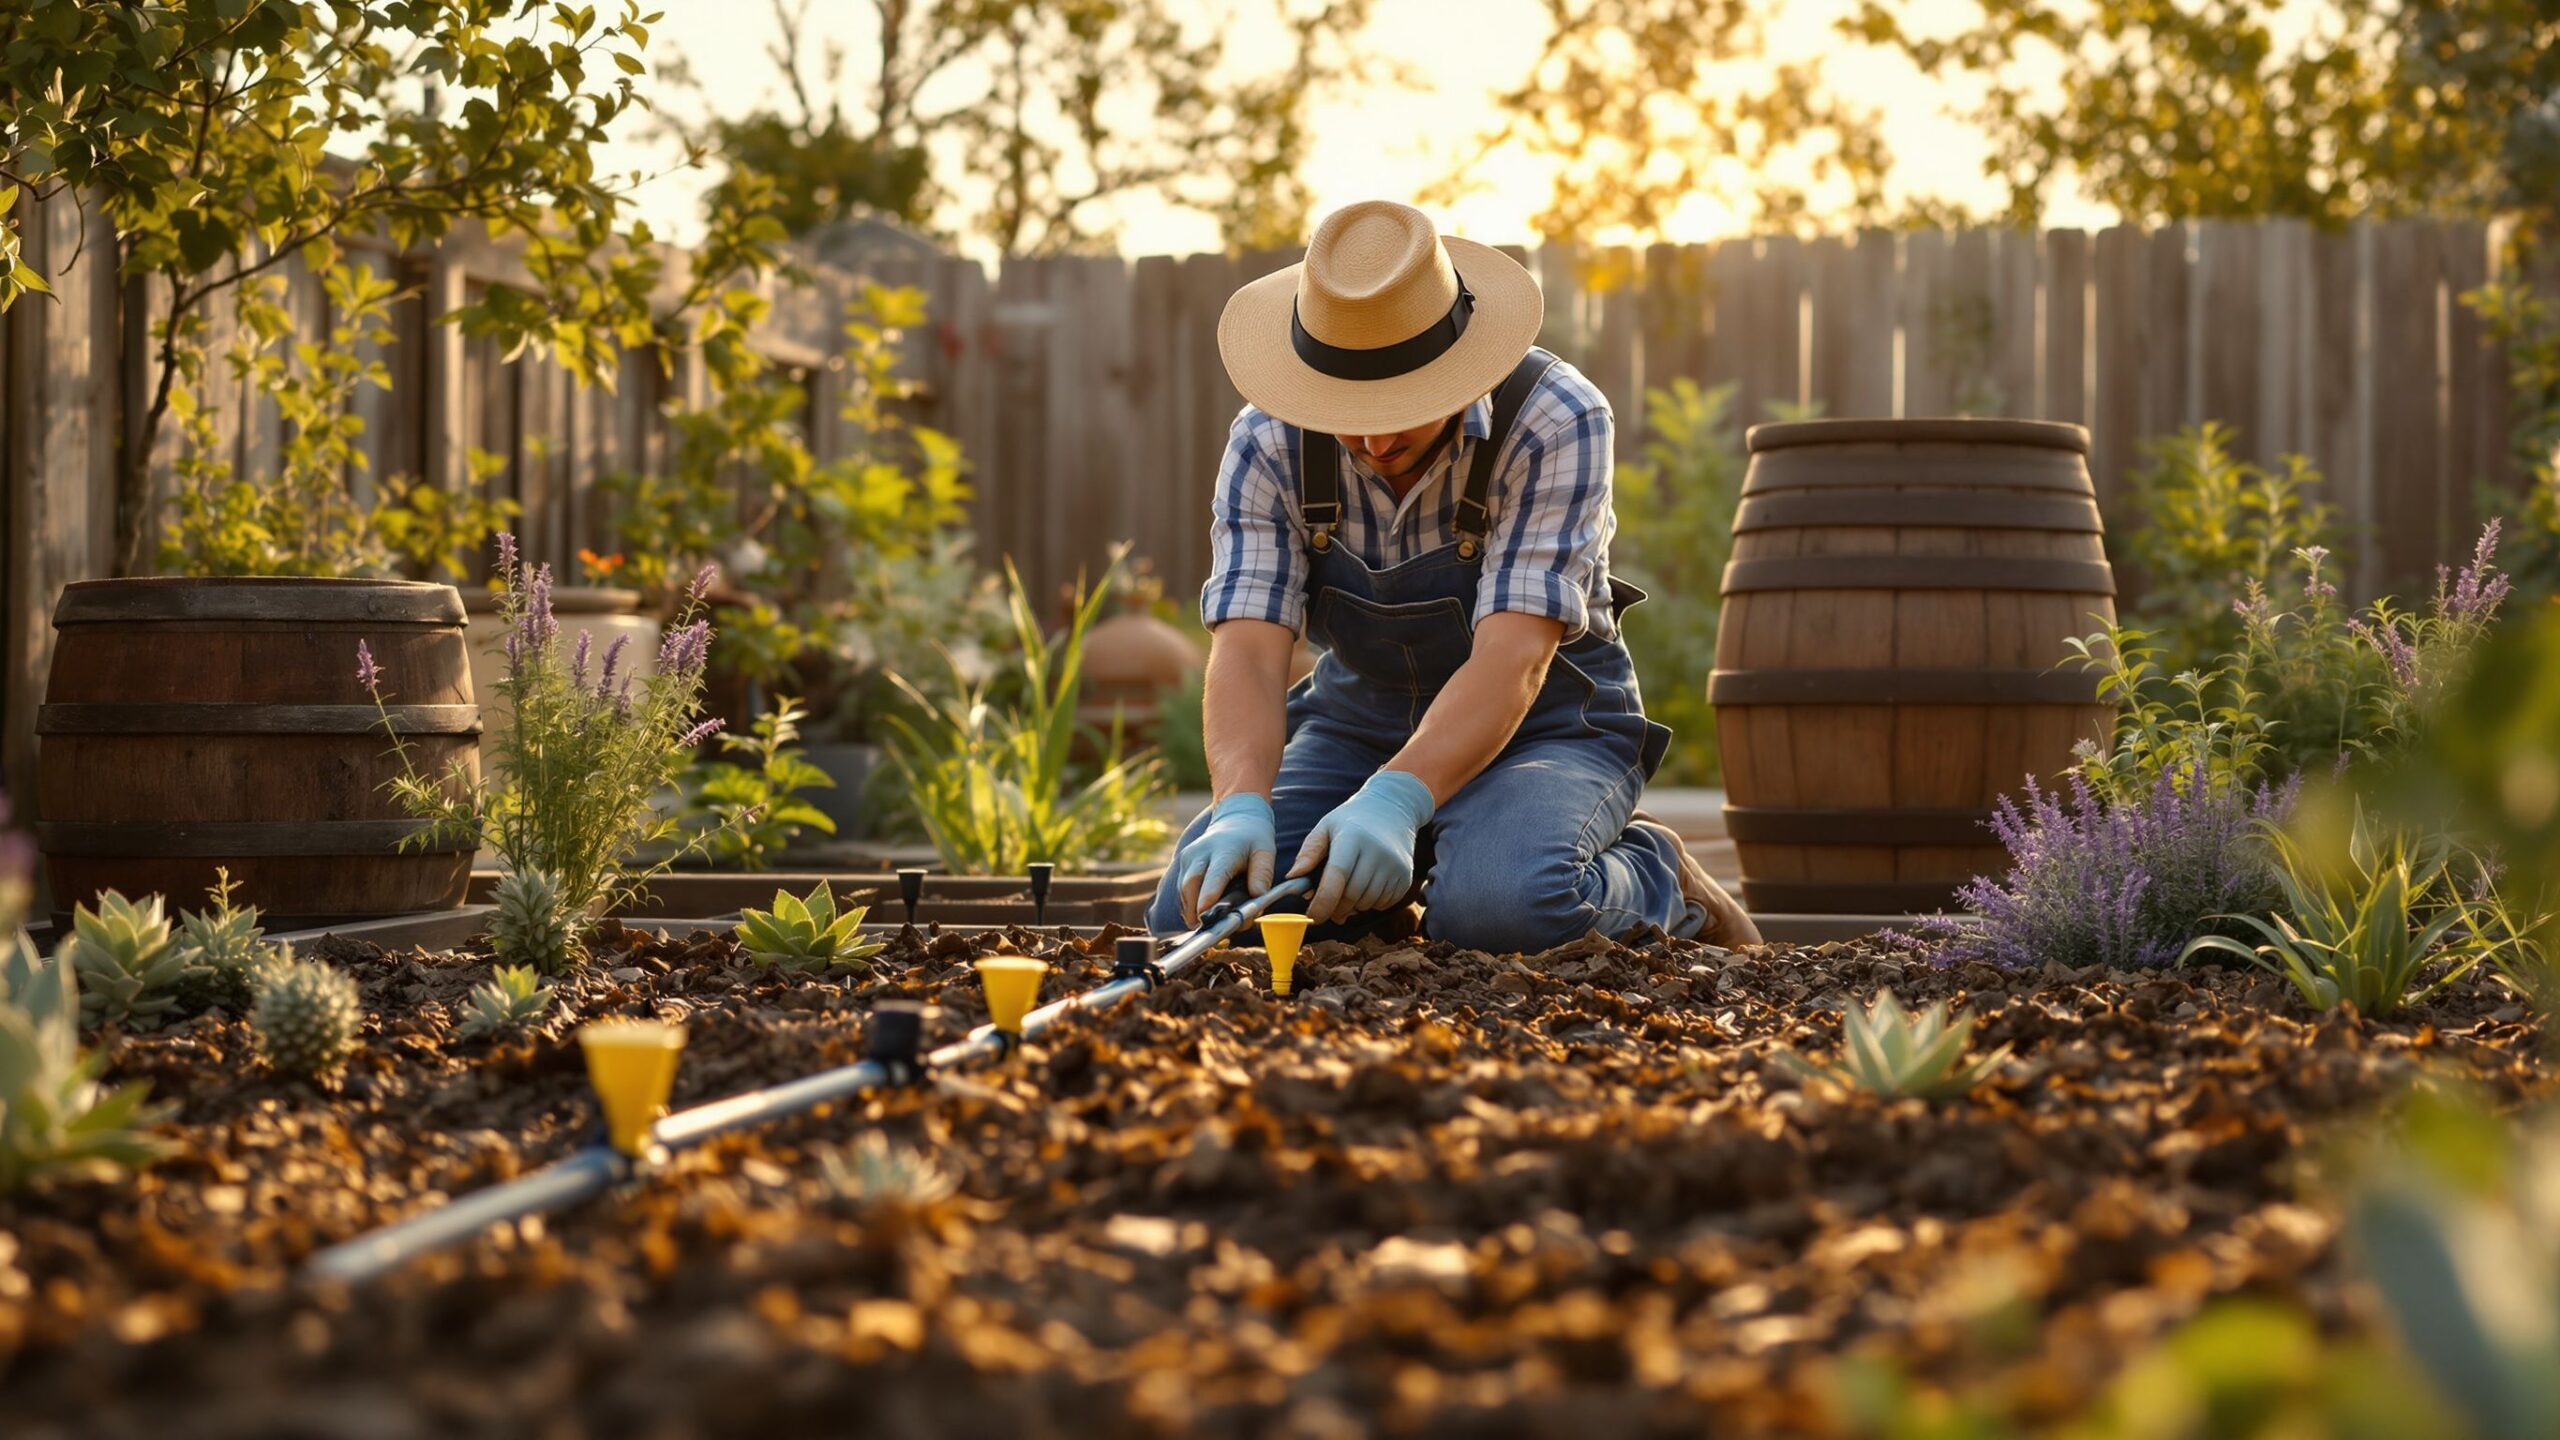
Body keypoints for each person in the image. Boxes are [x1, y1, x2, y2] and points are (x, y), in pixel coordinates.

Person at [1147, 200, 1758, 952]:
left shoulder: (1553, 419)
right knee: (1200, 917)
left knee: (1505, 912)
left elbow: (1515, 656)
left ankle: (1657, 876)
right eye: (1347, 406)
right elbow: (1246, 649)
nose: (1373, 438)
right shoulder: (1268, 439)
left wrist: (1399, 797)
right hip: (1357, 721)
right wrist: (1240, 806)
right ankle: (1388, 893)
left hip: (1545, 726)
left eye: (1402, 404)